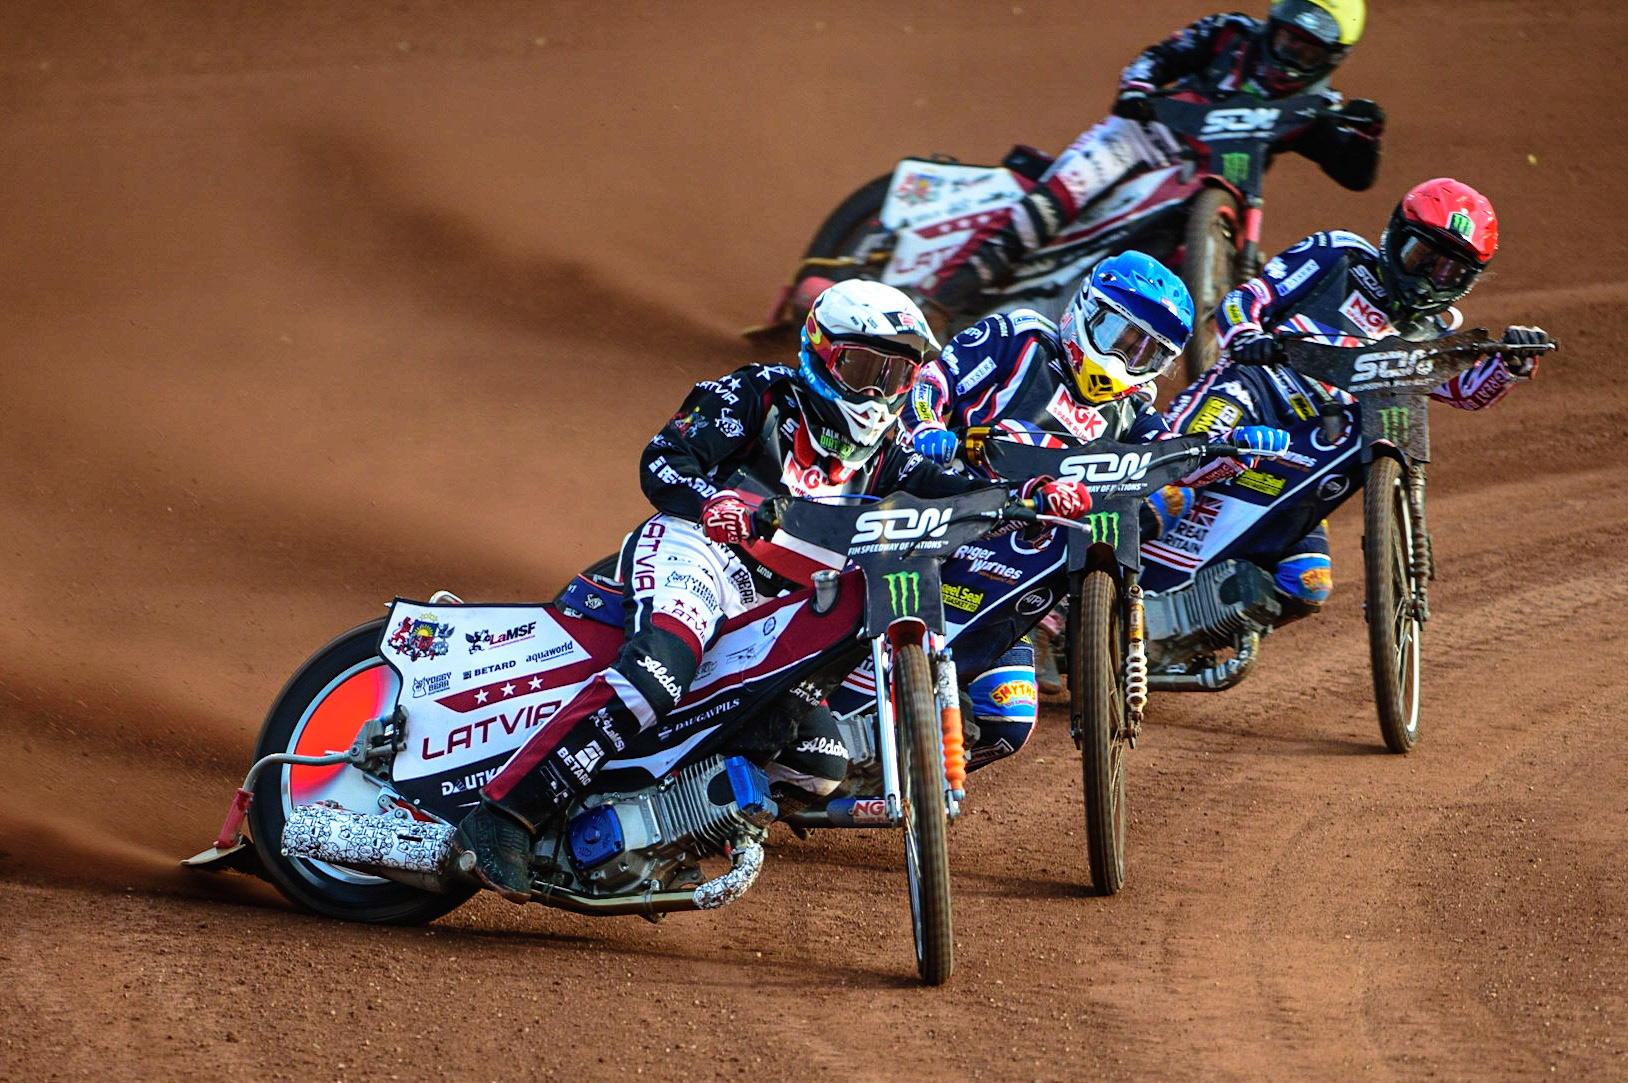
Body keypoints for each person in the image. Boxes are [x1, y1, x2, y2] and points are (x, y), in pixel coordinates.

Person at [451, 280, 1096, 900]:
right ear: (820, 352)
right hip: (699, 552)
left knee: (820, 758)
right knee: (658, 674)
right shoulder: (755, 392)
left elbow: (941, 483)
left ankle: (662, 822)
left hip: (776, 600)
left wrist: (1025, 497)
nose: (877, 392)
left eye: (895, 377)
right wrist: (714, 503)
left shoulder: (887, 449)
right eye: (862, 367)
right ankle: (507, 813)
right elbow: (661, 459)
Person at [905, 250, 1286, 759]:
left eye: (1148, 354)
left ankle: (912, 783)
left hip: (1019, 577)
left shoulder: (1133, 409)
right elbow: (933, 381)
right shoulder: (1017, 338)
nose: (1127, 362)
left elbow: (1175, 463)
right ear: (1086, 310)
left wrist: (1236, 454)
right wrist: (929, 426)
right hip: (939, 531)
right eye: (1121, 339)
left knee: (1007, 723)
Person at [1163, 176, 1552, 613]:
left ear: (1467, 281)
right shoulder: (1339, 254)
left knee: (1307, 583)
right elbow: (1245, 300)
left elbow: (1465, 390)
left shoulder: (1437, 334)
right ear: (1395, 236)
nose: (1429, 279)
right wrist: (1246, 336)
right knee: (1167, 484)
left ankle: (1187, 636)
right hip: (1251, 391)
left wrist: (1510, 364)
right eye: (1422, 257)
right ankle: (1081, 582)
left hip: (1306, 449)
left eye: (1449, 272)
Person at [918, 0, 1382, 315]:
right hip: (1143, 136)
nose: (1291, 53)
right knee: (1054, 202)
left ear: (1331, 57)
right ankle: (941, 301)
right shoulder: (1230, 33)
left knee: (1163, 283)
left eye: (1307, 48)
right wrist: (1137, 89)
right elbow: (1160, 57)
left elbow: (1354, 175)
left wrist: (1364, 137)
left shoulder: (1314, 108)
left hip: (1215, 184)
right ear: (1273, 25)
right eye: (1287, 39)